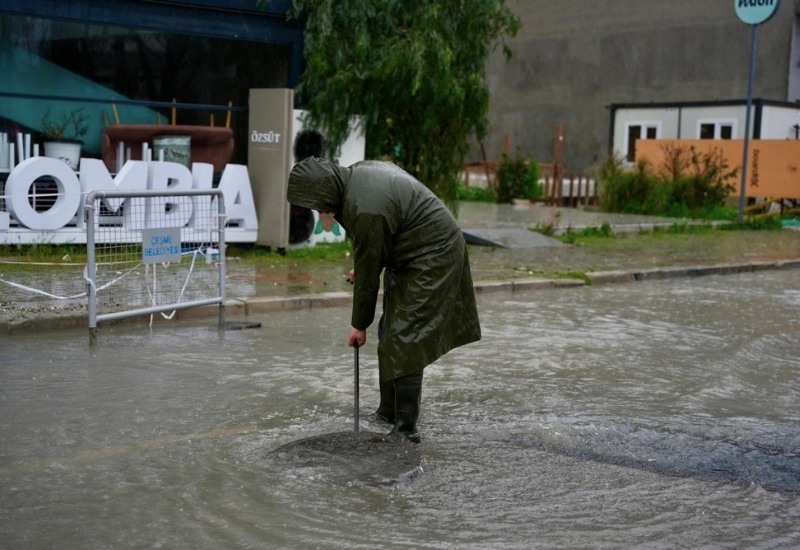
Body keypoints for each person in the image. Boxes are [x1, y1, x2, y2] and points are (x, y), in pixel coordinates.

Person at [287, 157, 481, 443]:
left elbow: (368, 275)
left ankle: (406, 428)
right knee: (390, 329)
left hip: (434, 253)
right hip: (409, 250)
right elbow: (373, 245)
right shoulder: (356, 179)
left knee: (407, 335)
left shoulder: (365, 206)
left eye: (317, 203)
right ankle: (388, 411)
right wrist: (367, 262)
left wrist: (358, 326)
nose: (320, 210)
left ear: (325, 191)